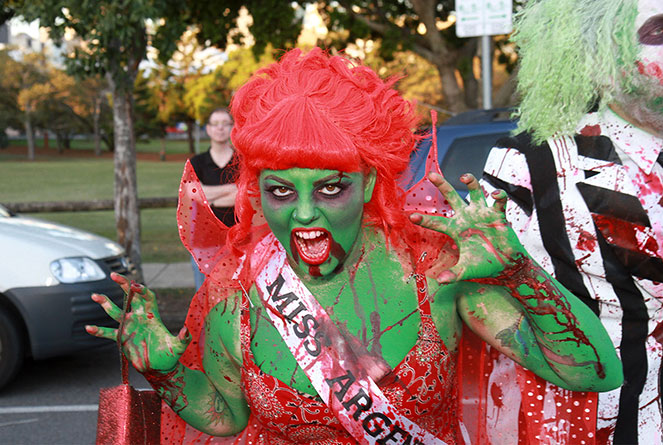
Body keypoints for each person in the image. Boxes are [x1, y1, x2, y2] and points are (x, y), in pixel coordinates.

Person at [86, 48, 622, 444]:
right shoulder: (237, 292)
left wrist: (519, 275)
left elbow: (593, 371)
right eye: (278, 190)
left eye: (329, 187)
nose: (301, 213)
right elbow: (228, 417)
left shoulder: (436, 271)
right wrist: (167, 373)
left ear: (368, 183)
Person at [481, 0, 663, 443]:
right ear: (600, 56)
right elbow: (475, 291)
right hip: (594, 422)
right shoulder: (530, 160)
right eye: (658, 32)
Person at [188, 108, 238, 289]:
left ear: (233, 128)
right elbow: (191, 194)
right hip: (205, 241)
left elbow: (244, 195)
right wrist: (230, 189)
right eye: (215, 124)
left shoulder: (241, 162)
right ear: (208, 129)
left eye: (225, 124)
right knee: (206, 296)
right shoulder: (196, 162)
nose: (220, 128)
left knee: (237, 297)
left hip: (238, 240)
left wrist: (208, 197)